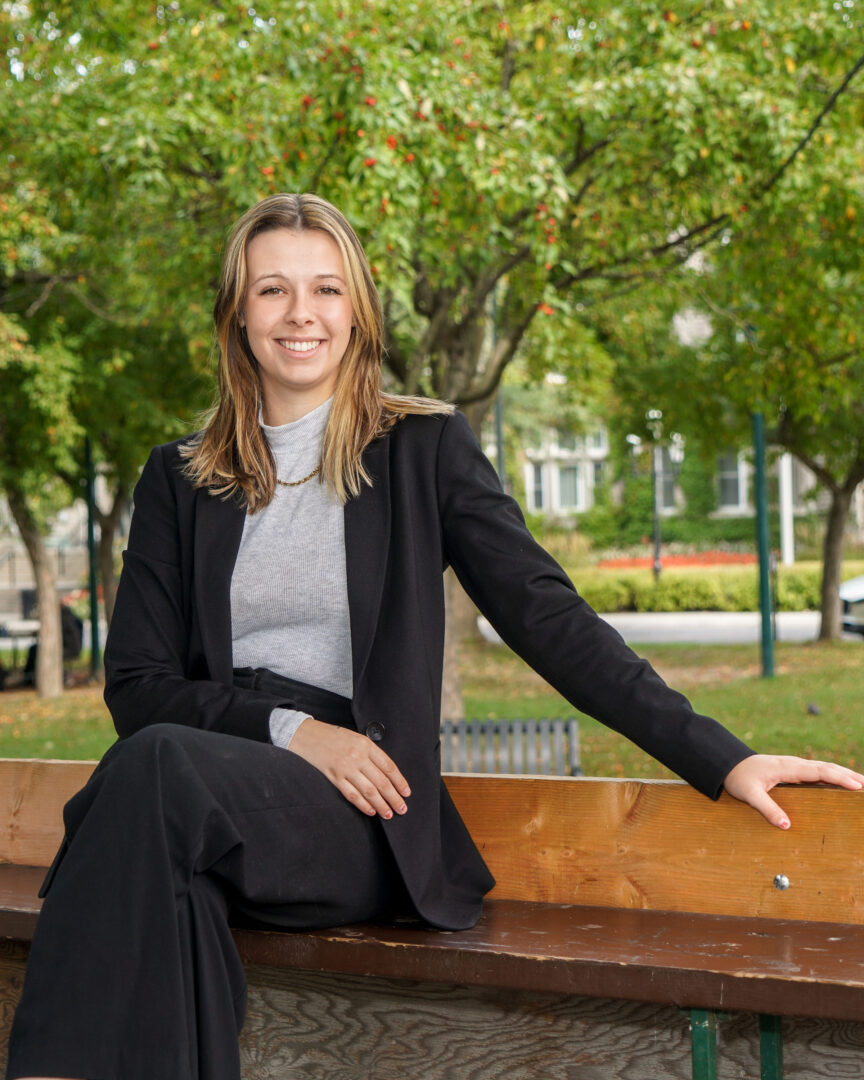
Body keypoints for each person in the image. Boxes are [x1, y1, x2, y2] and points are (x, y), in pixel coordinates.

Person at [6, 192, 863, 1080]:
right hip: (218, 777)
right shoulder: (180, 478)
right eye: (272, 290)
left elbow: (549, 618)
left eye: (327, 289)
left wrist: (722, 756)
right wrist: (297, 733)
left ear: (359, 311)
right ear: (236, 314)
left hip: (364, 807)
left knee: (147, 778)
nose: (302, 314)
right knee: (167, 872)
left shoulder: (422, 448)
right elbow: (137, 689)